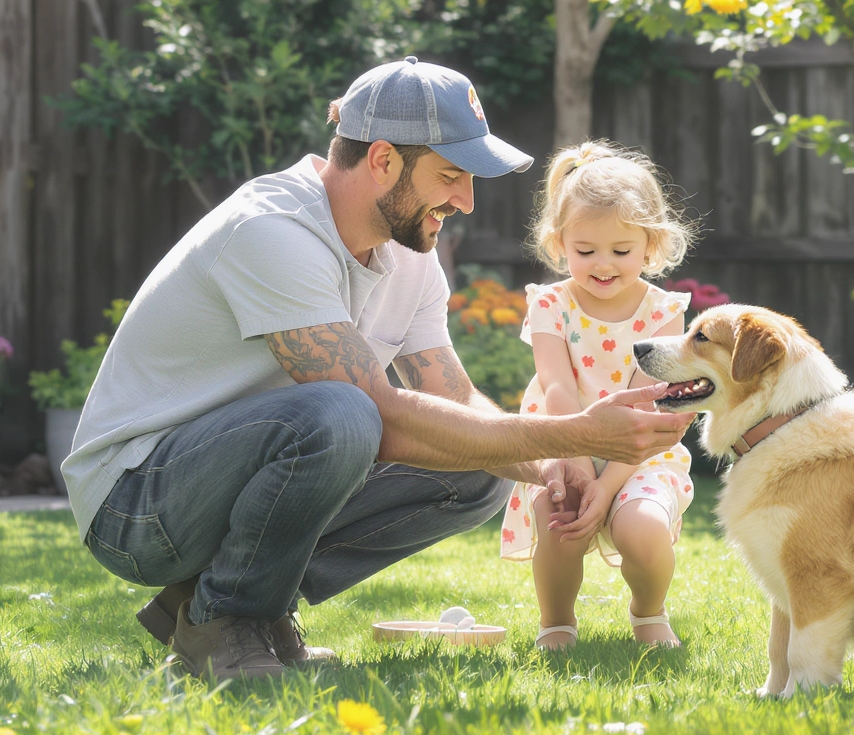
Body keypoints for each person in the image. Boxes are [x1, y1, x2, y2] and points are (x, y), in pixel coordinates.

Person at [62, 58, 694, 681]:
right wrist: (572, 434)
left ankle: (222, 597)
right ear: (384, 160)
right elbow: (380, 414)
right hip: (137, 502)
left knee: (478, 472)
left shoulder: (409, 252)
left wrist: (554, 470)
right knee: (341, 414)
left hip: (228, 475)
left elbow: (452, 395)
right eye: (451, 175)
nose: (466, 201)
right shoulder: (272, 231)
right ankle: (227, 621)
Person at [499, 140, 698, 650]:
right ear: (560, 243)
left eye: (621, 251)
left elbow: (645, 403)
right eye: (585, 251)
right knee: (558, 514)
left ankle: (648, 611)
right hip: (565, 442)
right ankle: (558, 622)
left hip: (641, 455)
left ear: (651, 246)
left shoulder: (662, 311)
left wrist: (607, 489)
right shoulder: (551, 304)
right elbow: (557, 385)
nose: (603, 265)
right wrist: (580, 464)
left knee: (643, 526)